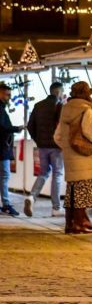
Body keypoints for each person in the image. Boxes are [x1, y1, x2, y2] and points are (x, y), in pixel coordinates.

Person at [54, 82, 92, 234]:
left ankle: (71, 223)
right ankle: (80, 223)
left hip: (70, 156)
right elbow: (91, 133)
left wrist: (67, 148)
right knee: (83, 190)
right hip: (84, 155)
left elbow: (57, 136)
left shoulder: (65, 108)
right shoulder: (86, 109)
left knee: (72, 190)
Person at [25, 82, 65, 218]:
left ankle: (32, 196)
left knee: (43, 172)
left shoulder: (38, 105)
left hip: (42, 147)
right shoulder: (60, 107)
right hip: (56, 147)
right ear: (58, 92)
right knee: (57, 174)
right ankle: (56, 208)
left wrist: (38, 140)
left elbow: (30, 126)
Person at [0, 83, 23, 216]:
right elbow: (2, 127)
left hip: (2, 147)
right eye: (7, 94)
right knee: (5, 175)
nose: (9, 97)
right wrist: (16, 128)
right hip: (2, 148)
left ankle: (5, 203)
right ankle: (6, 204)